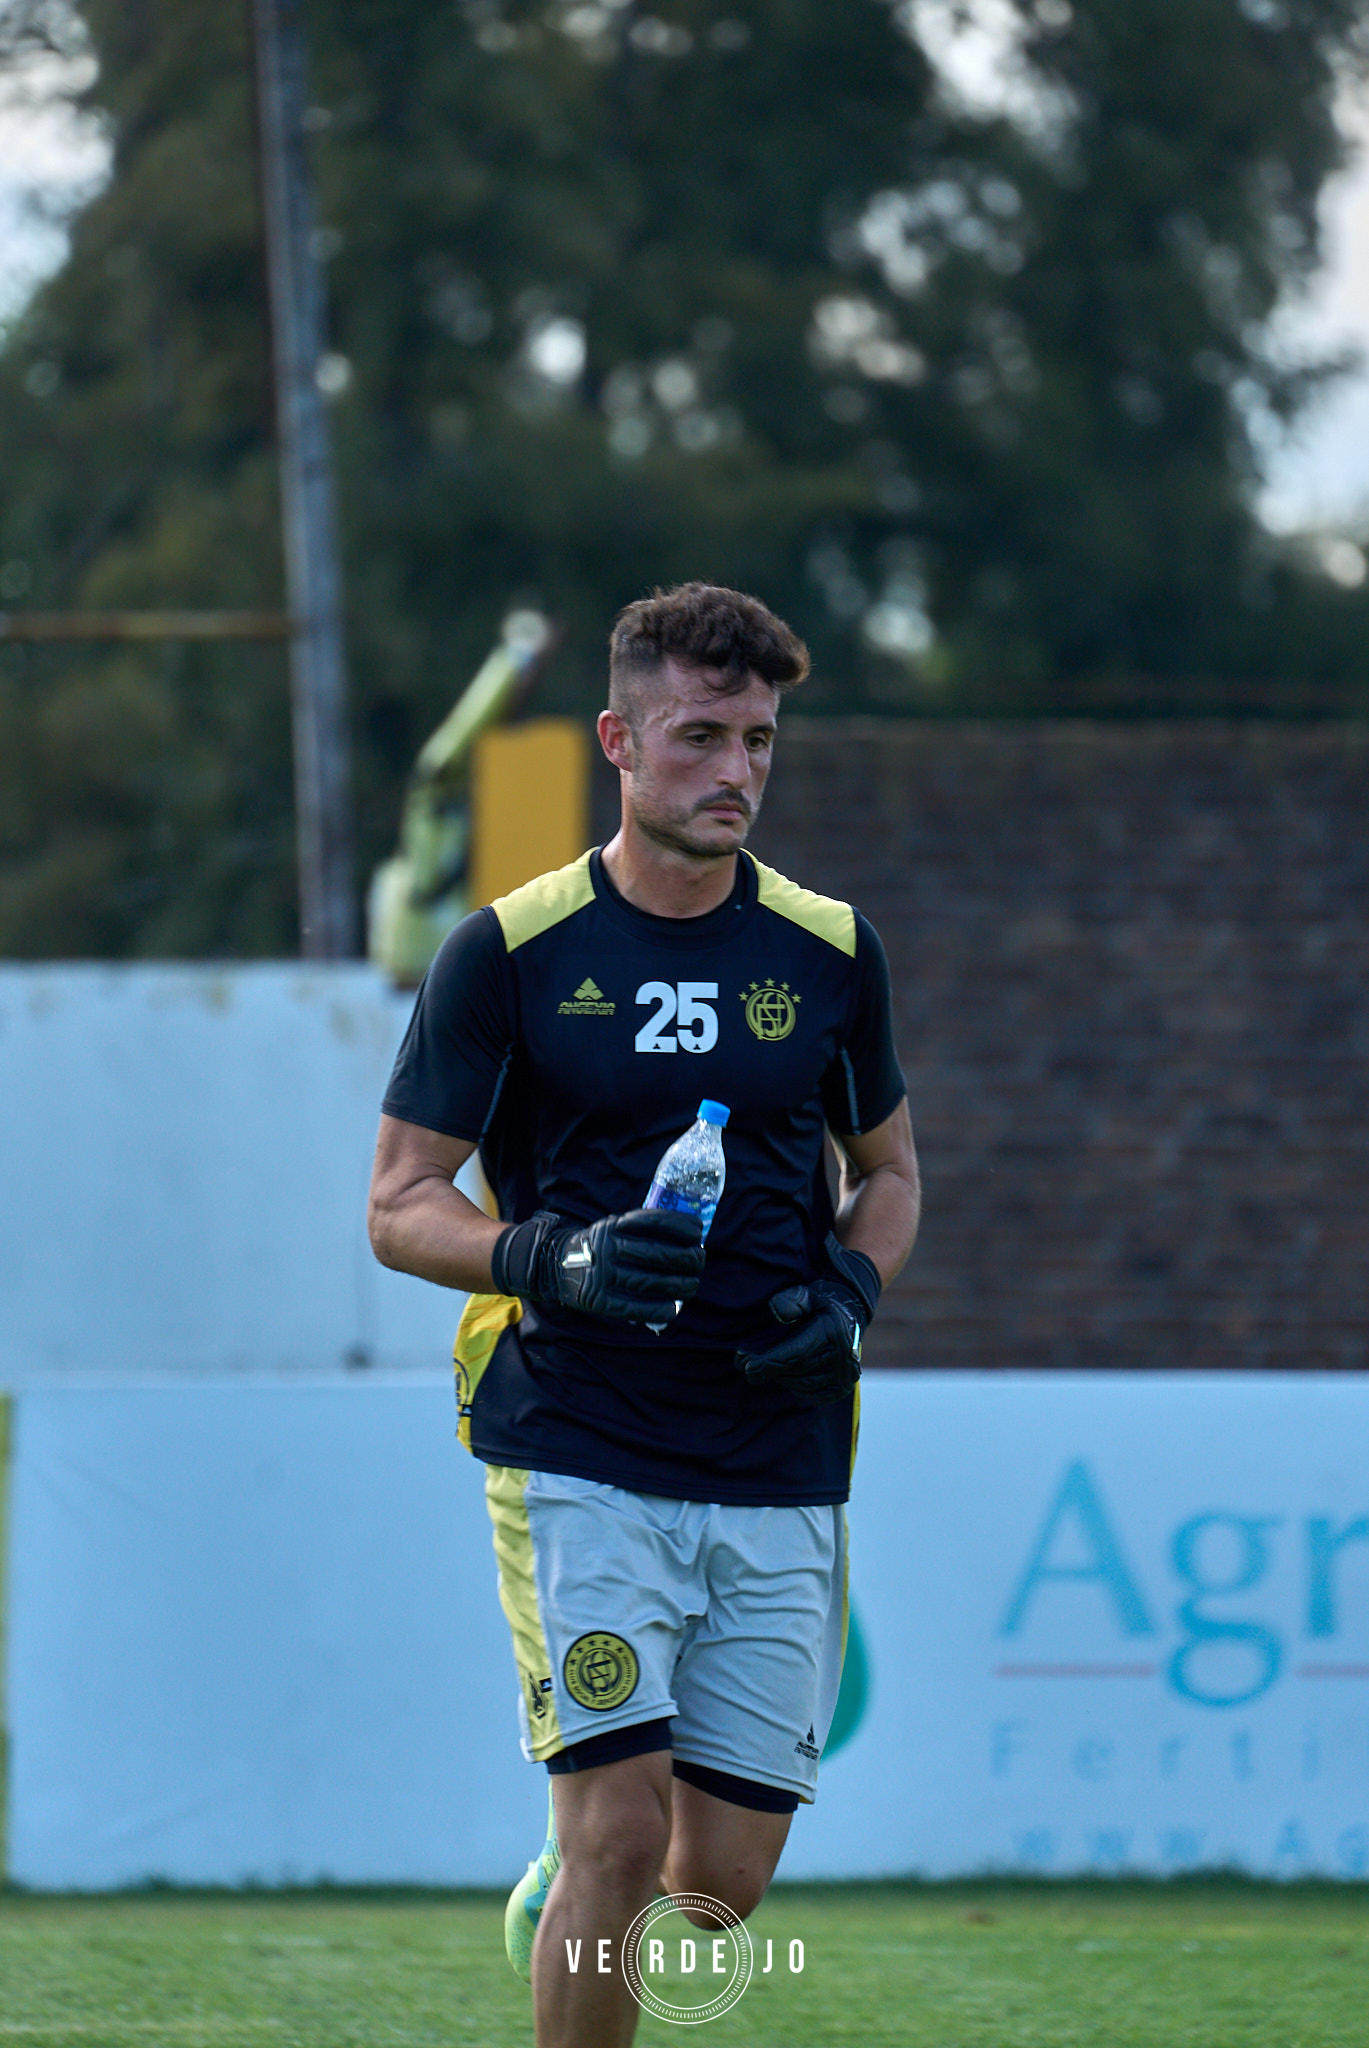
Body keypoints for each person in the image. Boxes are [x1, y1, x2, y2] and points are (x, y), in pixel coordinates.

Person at [368, 582, 920, 2048]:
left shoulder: (829, 954)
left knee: (718, 1890)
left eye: (757, 740)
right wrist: (545, 1259)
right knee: (617, 1827)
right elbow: (398, 1203)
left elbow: (893, 1177)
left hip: (778, 1448)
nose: (733, 769)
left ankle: (569, 1882)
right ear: (619, 739)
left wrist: (850, 1292)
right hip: (578, 1440)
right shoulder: (509, 951)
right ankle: (583, 1864)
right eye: (698, 736)